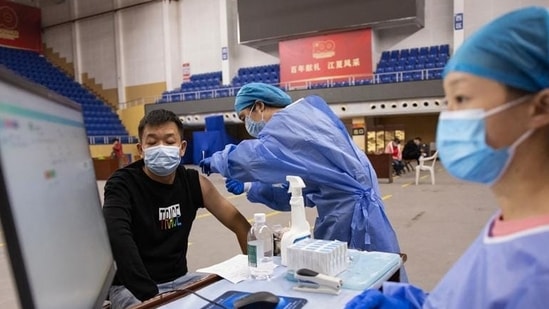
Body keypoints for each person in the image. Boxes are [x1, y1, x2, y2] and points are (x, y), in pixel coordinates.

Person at [345, 6, 549, 308]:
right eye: (447, 101)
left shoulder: (538, 269)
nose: (449, 116)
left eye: (462, 99)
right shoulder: (515, 221)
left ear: (540, 107)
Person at [199, 82, 406, 280]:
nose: (247, 125)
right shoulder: (310, 119)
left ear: (259, 106)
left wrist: (219, 161)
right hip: (362, 211)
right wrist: (250, 186)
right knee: (381, 280)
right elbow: (304, 189)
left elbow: (255, 158)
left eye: (245, 117)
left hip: (352, 219)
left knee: (355, 283)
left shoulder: (288, 125)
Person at [103, 109, 251, 308]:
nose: (161, 148)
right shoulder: (122, 184)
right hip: (132, 287)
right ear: (141, 149)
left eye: (169, 141)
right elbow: (118, 239)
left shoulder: (194, 182)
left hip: (181, 281)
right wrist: (152, 297)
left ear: (182, 148)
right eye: (152, 142)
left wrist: (255, 270)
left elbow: (239, 223)